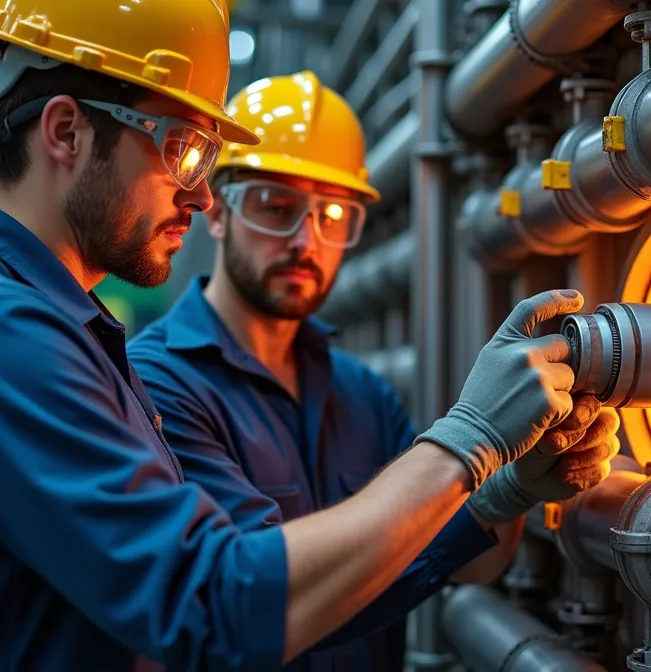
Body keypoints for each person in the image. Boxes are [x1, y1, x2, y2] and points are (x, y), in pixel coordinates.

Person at [0, 3, 592, 670]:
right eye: (181, 147)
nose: (198, 194)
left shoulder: (61, 329)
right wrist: (467, 443)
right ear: (65, 130)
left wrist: (502, 490)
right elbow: (214, 606)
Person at [127, 71, 622, 670]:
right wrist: (471, 438)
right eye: (274, 206)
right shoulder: (155, 385)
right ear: (218, 213)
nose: (305, 240)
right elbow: (253, 604)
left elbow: (461, 561)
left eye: (333, 213)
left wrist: (506, 491)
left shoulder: (360, 392)